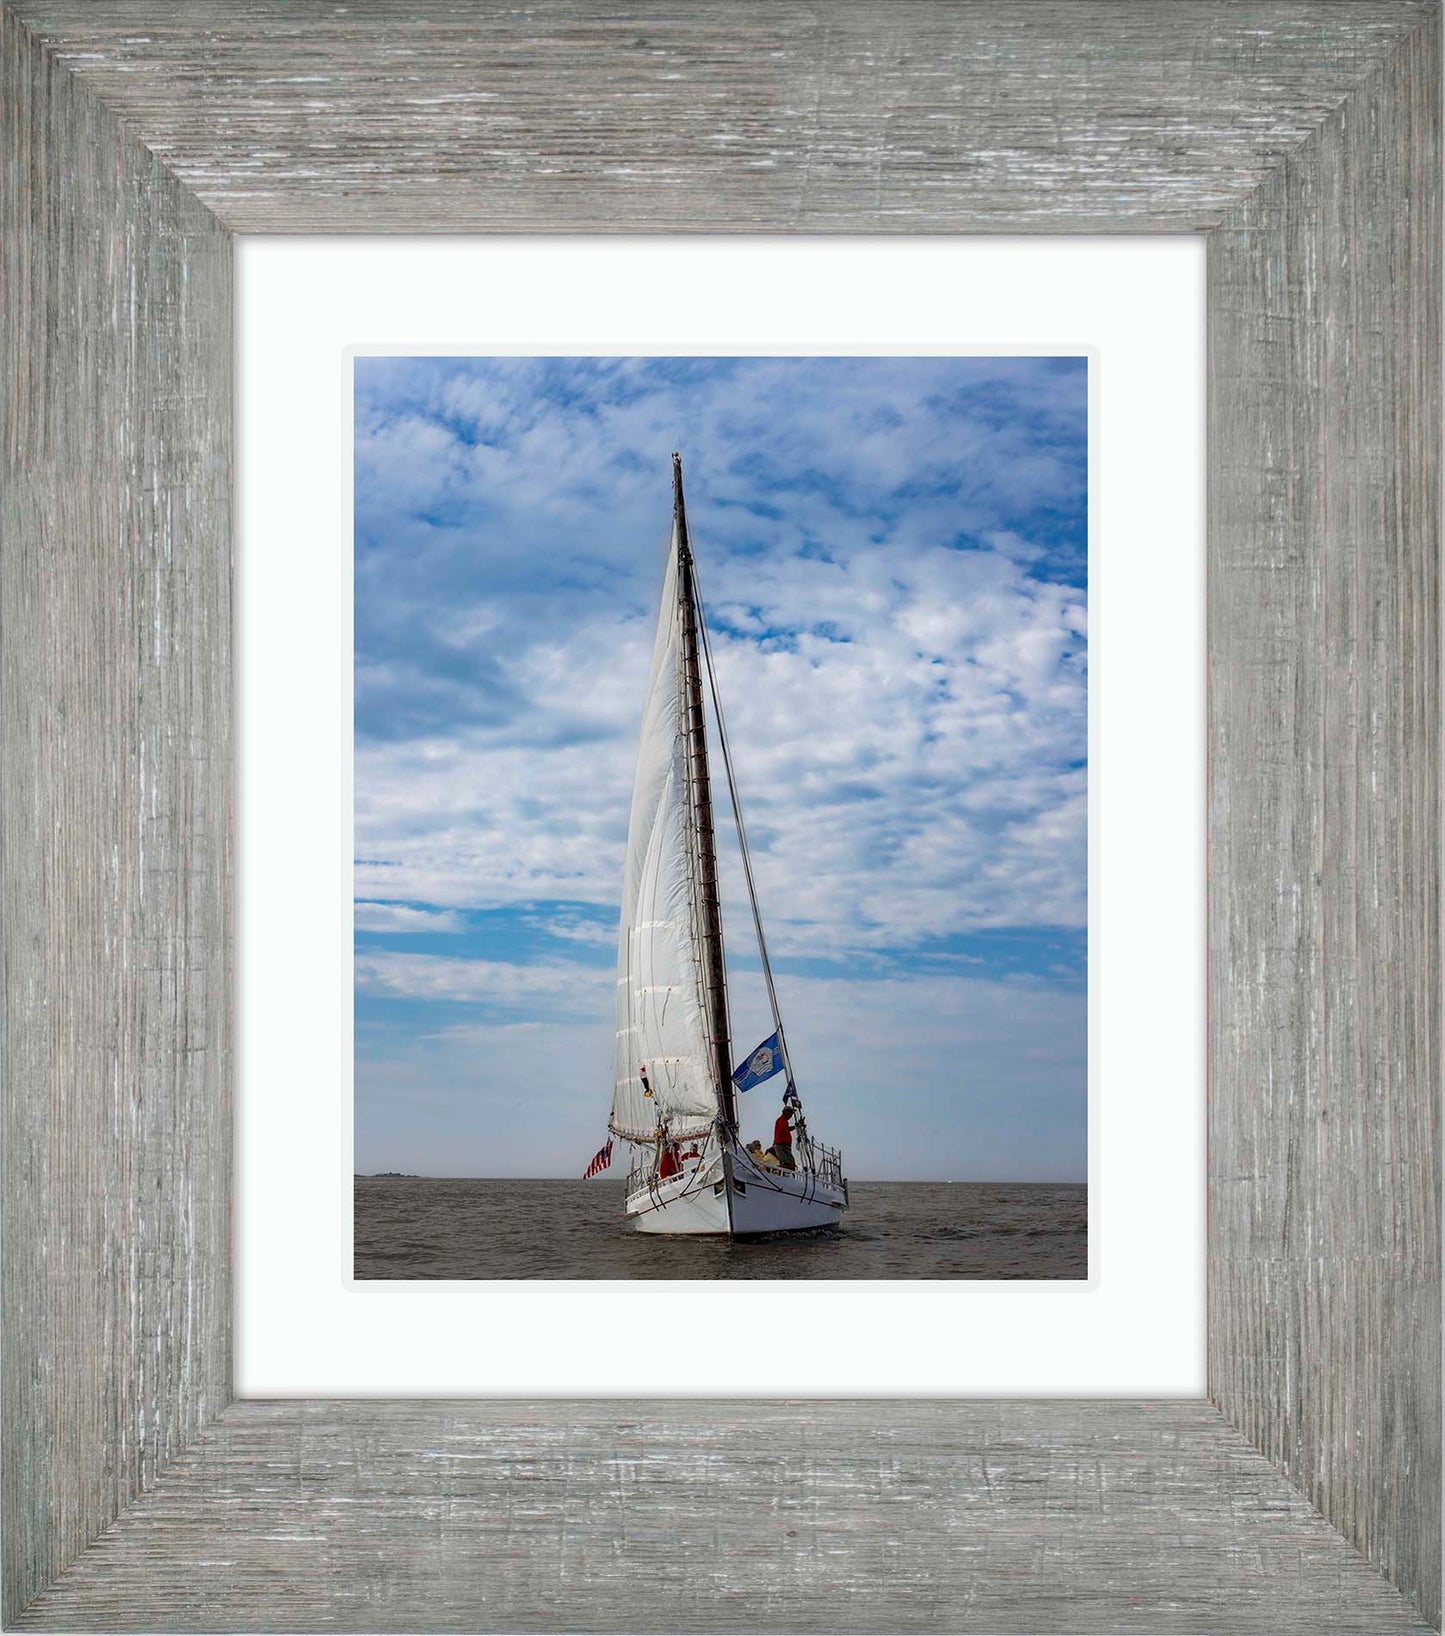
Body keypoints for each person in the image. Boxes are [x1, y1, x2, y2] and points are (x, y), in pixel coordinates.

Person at [770, 1104, 797, 1170]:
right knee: (788, 1164)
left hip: (785, 1146)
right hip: (781, 1145)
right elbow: (785, 1129)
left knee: (791, 1164)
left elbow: (787, 1129)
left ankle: (785, 1176)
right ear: (784, 1112)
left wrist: (796, 1126)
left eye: (792, 1113)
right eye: (790, 1112)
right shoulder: (781, 1120)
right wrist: (795, 1126)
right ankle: (775, 1170)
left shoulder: (784, 1121)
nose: (791, 1115)